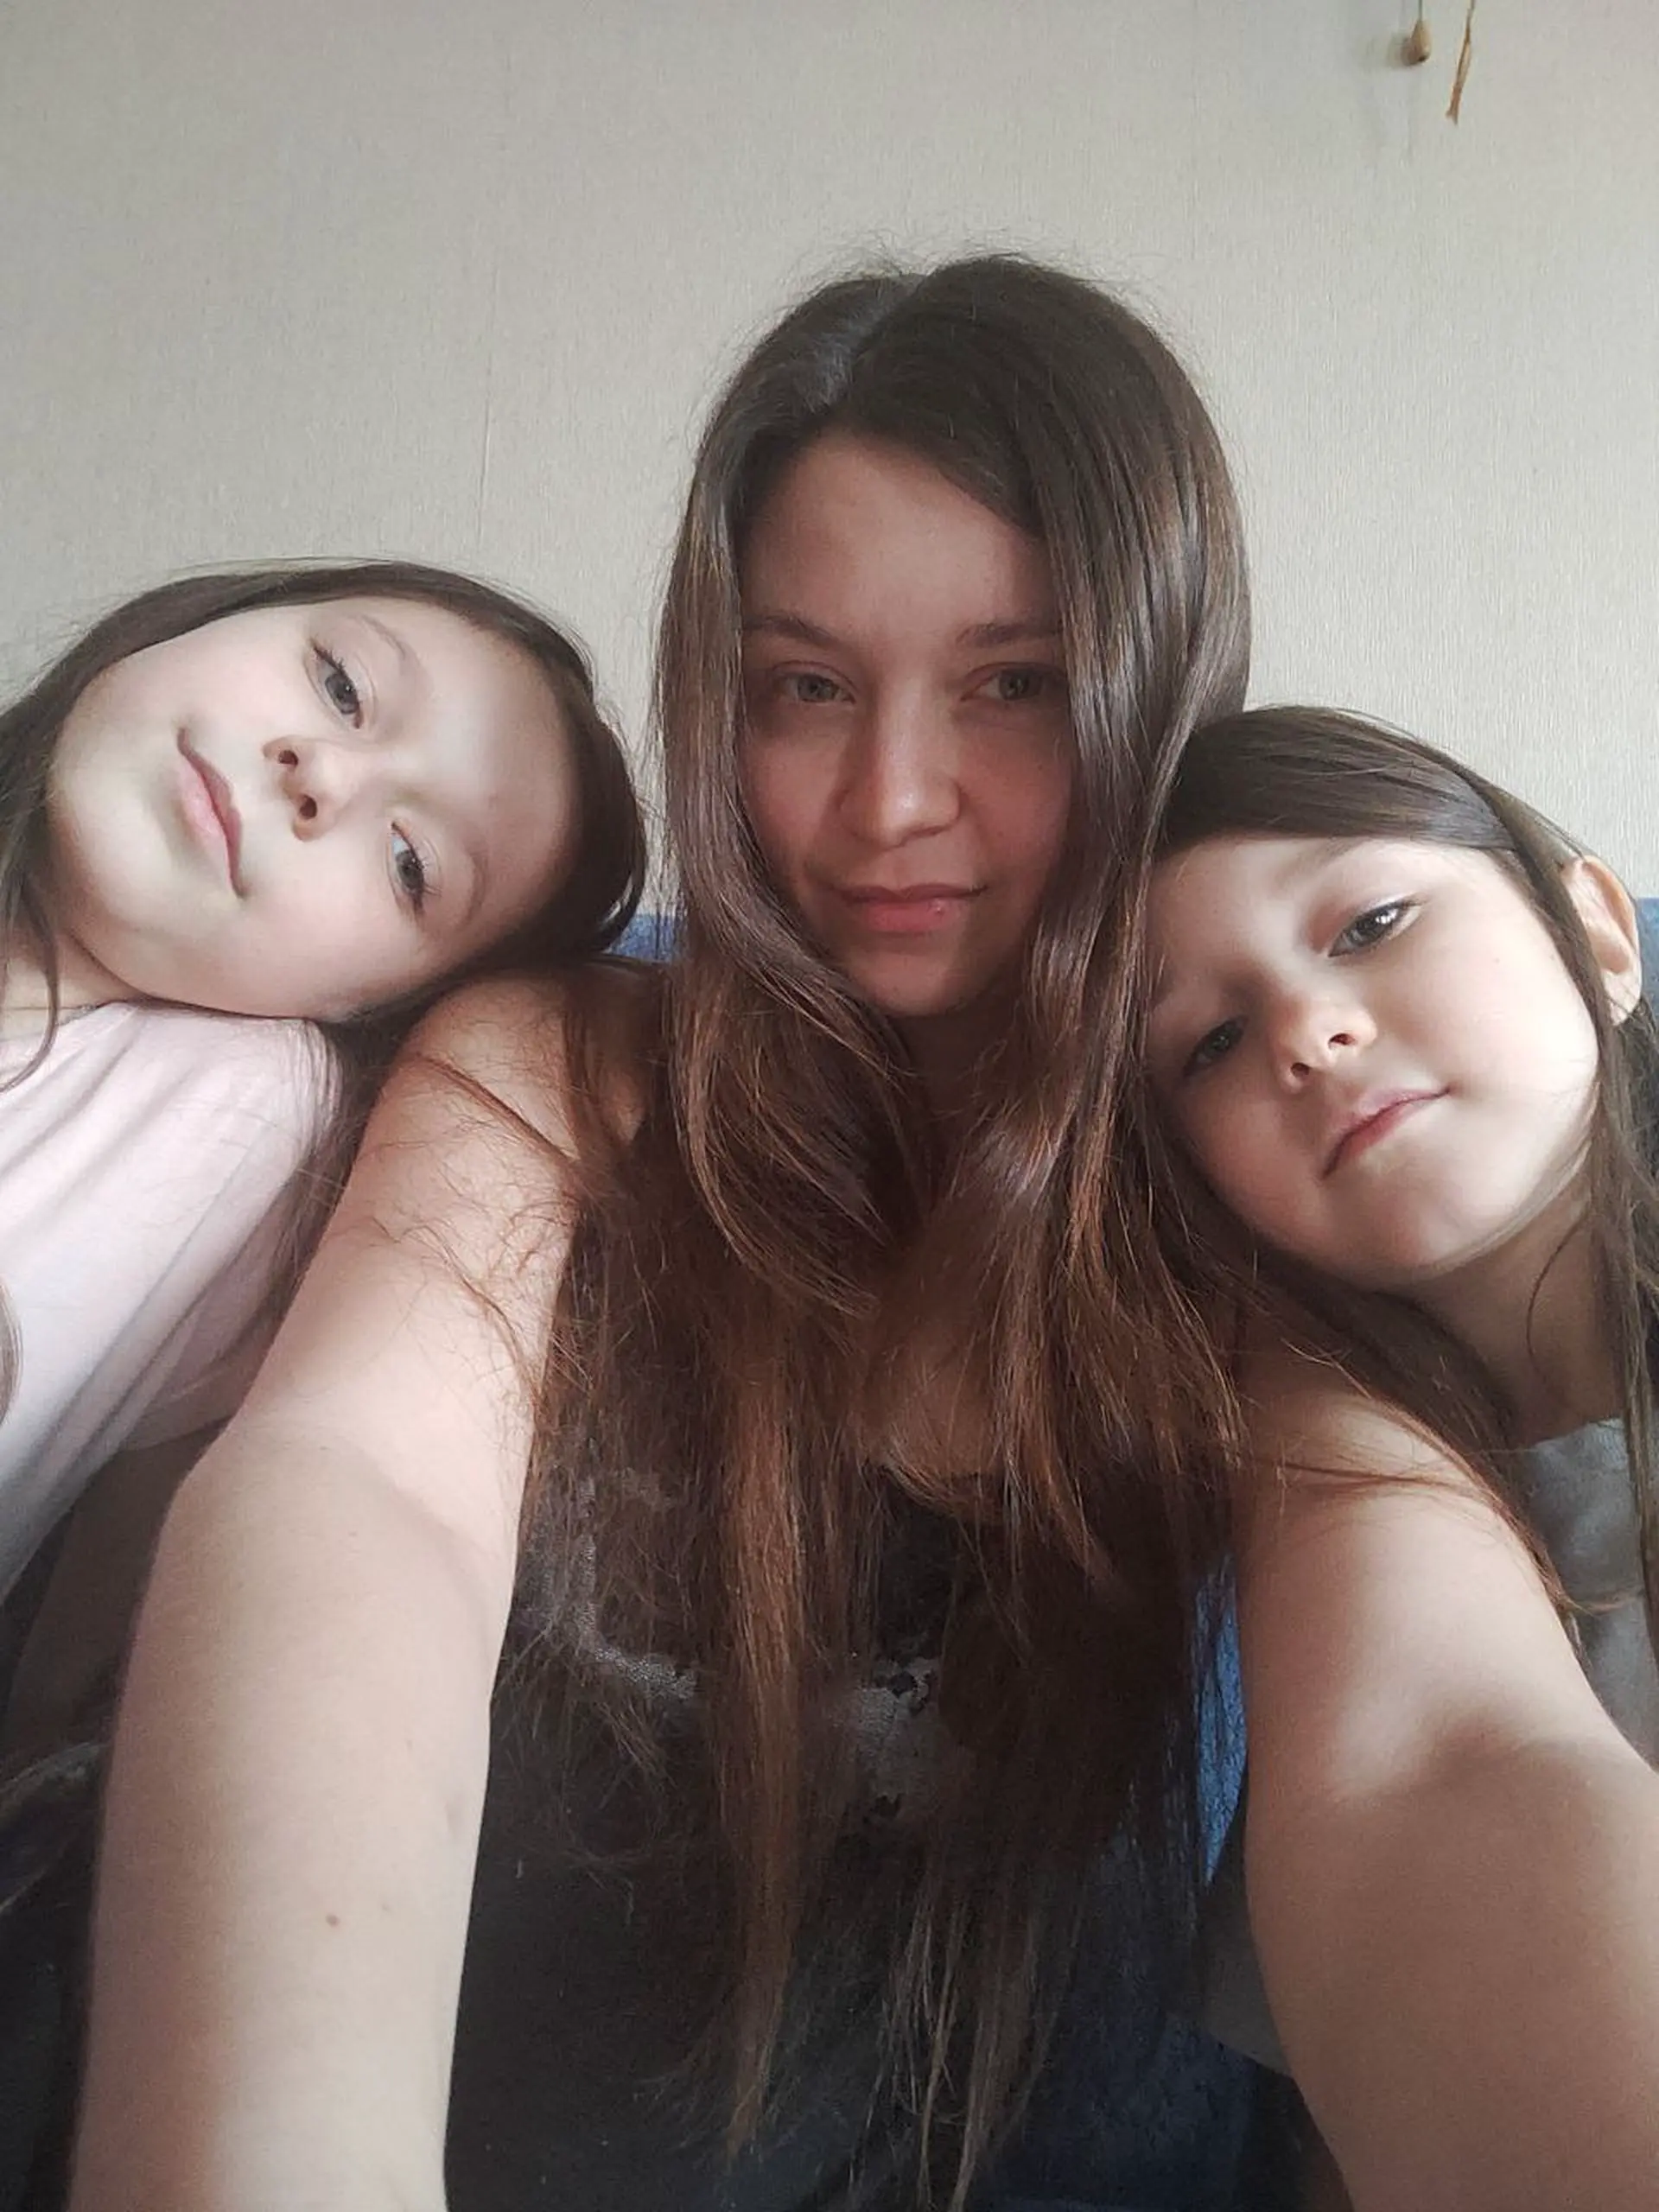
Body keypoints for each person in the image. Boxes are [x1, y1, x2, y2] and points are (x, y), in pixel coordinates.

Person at [69, 258, 1289, 2212]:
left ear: (1150, 687)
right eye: (808, 686)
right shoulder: (565, 1056)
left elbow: (1445, 1743)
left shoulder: (1269, 1151)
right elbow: (355, 1495)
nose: (891, 802)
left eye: (1016, 685)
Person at [1140, 705, 1659, 2209]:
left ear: (1597, 933)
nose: (1307, 1033)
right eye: (1211, 1044)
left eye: (1369, 924)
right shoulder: (1318, 1517)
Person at [0, 557, 643, 1694]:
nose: (324, 774)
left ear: (371, 1006)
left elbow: (81, 1690)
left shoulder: (239, 1119)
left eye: (409, 866)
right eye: (341, 684)